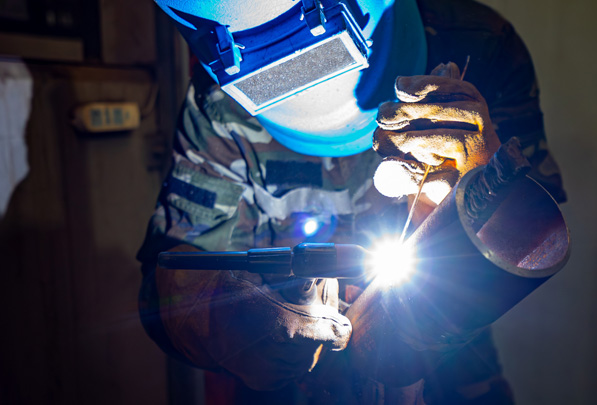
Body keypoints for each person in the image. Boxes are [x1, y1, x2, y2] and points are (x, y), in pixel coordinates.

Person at [137, 0, 566, 403]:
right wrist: (218, 321)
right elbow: (168, 273)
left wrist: (482, 196)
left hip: (452, 373)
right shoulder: (218, 101)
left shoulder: (480, 45)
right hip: (292, 387)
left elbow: (541, 239)